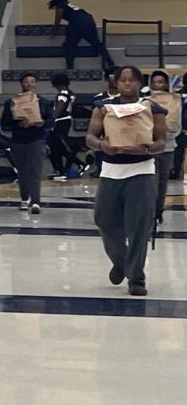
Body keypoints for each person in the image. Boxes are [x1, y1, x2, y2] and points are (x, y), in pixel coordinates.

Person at [87, 65, 167, 297]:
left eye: (132, 80)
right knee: (104, 220)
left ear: (140, 83)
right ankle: (121, 262)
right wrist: (102, 146)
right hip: (111, 171)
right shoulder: (103, 108)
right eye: (123, 80)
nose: (127, 84)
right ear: (116, 83)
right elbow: (90, 138)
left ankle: (136, 278)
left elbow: (161, 141)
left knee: (138, 227)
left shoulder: (153, 108)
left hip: (141, 172)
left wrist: (151, 147)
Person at [1, 72, 53, 214]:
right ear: (21, 84)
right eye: (26, 82)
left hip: (37, 139)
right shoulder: (11, 102)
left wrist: (41, 123)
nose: (29, 84)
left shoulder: (43, 102)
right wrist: (18, 123)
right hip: (18, 139)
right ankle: (25, 198)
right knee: (22, 171)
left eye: (32, 82)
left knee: (35, 170)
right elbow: (4, 123)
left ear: (36, 84)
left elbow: (51, 121)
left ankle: (36, 201)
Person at [147, 70, 180, 224]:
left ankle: (159, 209)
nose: (157, 85)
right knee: (152, 179)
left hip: (169, 146)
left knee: (163, 181)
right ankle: (151, 210)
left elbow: (177, 124)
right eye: (155, 82)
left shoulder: (176, 100)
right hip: (151, 146)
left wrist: (169, 132)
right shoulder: (145, 100)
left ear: (166, 83)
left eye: (160, 82)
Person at [49, 0, 115, 71]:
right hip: (89, 21)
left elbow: (57, 21)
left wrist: (54, 32)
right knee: (96, 44)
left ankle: (69, 67)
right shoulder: (72, 6)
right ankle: (110, 62)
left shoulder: (60, 7)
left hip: (77, 24)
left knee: (69, 46)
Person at [49, 73, 84, 181]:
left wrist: (52, 118)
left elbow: (60, 106)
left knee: (57, 145)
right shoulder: (71, 93)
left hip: (61, 121)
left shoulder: (63, 94)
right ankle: (60, 170)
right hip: (67, 120)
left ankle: (79, 163)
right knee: (55, 147)